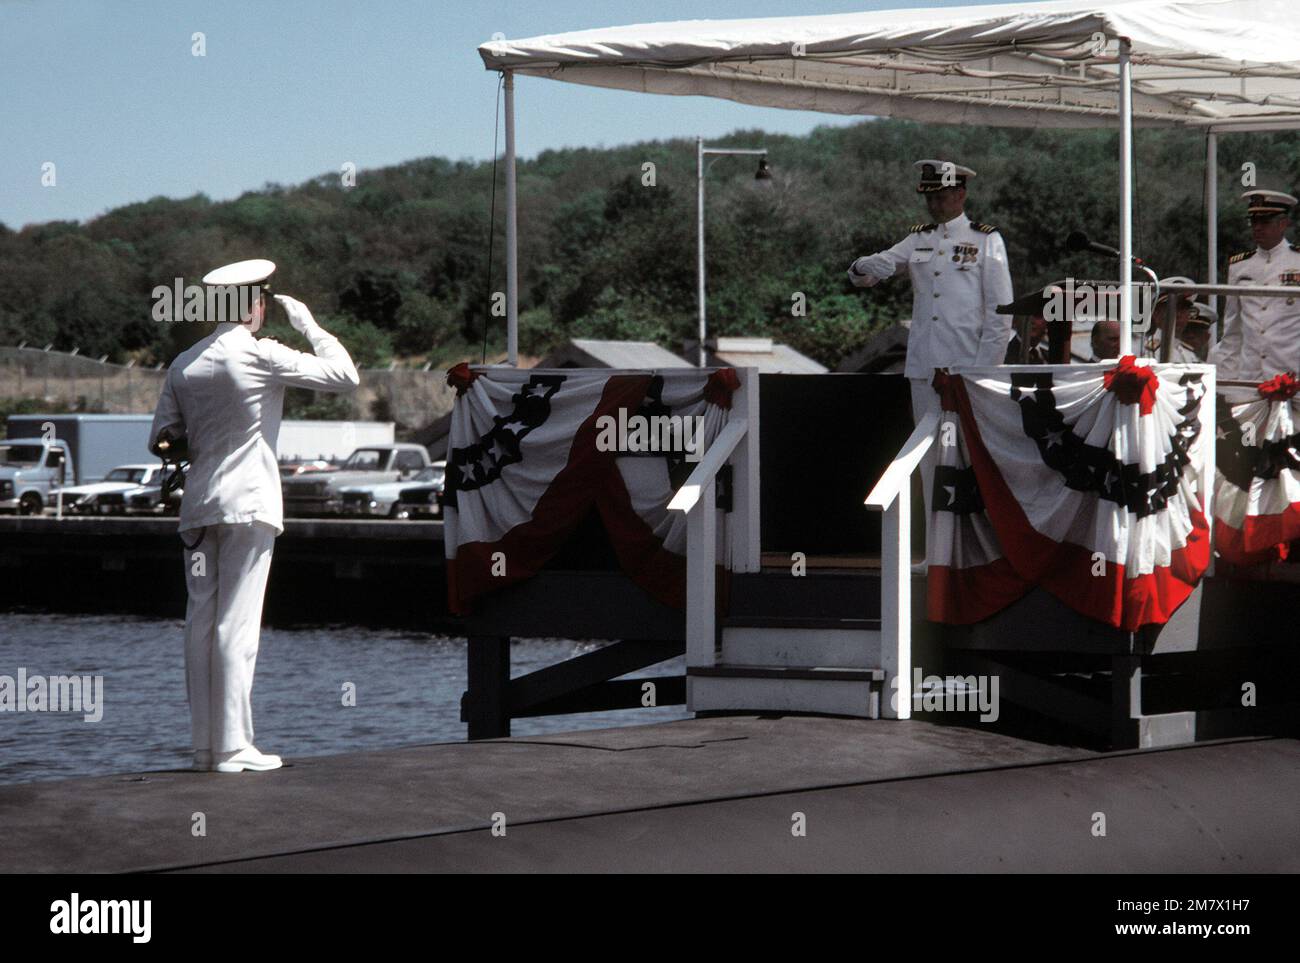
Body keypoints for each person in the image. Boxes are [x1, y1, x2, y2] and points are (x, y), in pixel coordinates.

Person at [150, 259, 359, 773]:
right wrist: (310, 326)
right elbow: (345, 376)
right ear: (253, 304)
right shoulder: (262, 355)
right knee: (236, 626)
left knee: (200, 623)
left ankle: (205, 748)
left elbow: (160, 437)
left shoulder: (185, 363)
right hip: (249, 503)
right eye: (262, 300)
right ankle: (234, 746)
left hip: (198, 507)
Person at [847, 158, 1014, 518]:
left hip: (967, 366)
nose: (935, 205)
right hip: (924, 365)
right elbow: (873, 270)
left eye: (941, 197)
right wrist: (862, 266)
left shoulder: (986, 239)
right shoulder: (919, 237)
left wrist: (986, 370)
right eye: (930, 198)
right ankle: (934, 548)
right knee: (926, 453)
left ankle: (974, 542)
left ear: (960, 194)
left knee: (970, 453)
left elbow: (1001, 314)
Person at [1212, 189, 1300, 380]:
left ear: (1283, 223)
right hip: (1250, 376)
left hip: (1292, 375)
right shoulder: (1240, 266)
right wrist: (1226, 380)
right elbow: (1232, 328)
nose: (1258, 227)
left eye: (1265, 221)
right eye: (1254, 221)